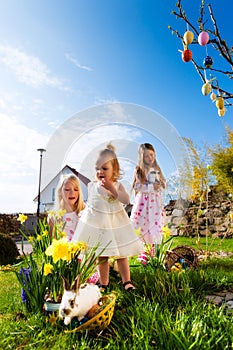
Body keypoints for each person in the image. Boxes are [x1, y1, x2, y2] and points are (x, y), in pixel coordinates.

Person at [72, 144, 142, 291]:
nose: (100, 172)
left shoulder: (117, 185)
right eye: (97, 168)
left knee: (121, 254)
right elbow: (91, 204)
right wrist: (83, 214)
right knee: (101, 256)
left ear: (114, 170)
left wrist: (112, 190)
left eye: (105, 168)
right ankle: (103, 283)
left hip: (115, 225)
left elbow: (126, 200)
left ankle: (127, 281)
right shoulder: (92, 186)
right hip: (99, 227)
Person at [130, 143, 166, 247]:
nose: (150, 158)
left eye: (151, 154)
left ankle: (154, 249)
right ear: (142, 158)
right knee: (143, 224)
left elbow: (161, 184)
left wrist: (162, 184)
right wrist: (151, 187)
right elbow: (137, 187)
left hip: (155, 203)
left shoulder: (156, 169)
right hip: (143, 203)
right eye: (146, 156)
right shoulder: (139, 170)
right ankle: (143, 248)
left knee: (154, 224)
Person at [52, 174, 85, 241]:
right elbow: (54, 243)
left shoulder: (85, 211)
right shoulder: (53, 217)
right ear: (60, 192)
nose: (72, 193)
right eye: (67, 189)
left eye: (76, 189)